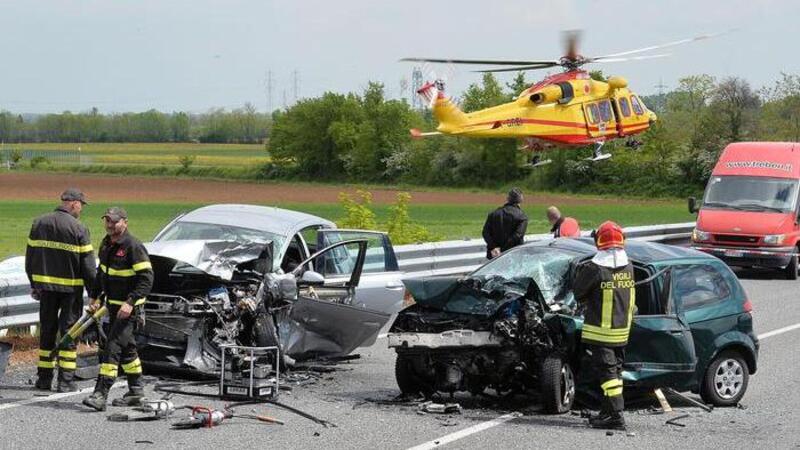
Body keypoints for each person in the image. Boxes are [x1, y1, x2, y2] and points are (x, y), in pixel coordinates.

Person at [25, 188, 96, 392]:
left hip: (45, 289)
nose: (81, 209)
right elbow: (88, 267)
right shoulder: (79, 228)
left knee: (47, 331)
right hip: (70, 291)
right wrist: (94, 293)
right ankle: (65, 382)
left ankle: (44, 379)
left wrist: (34, 284)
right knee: (69, 333)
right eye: (81, 205)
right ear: (74, 203)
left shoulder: (39, 223)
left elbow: (30, 258)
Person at [83, 207, 153, 411]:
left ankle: (100, 394)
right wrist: (95, 296)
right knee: (128, 349)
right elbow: (101, 273)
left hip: (129, 311)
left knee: (111, 348)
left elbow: (147, 279)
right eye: (107, 221)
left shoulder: (133, 246)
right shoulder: (106, 244)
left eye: (114, 221)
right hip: (113, 307)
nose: (110, 225)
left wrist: (130, 302)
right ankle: (136, 392)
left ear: (125, 222)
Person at [573, 221, 635, 430]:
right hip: (621, 332)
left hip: (601, 332)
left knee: (608, 376)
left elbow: (578, 293)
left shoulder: (595, 268)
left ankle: (616, 416)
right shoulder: (629, 266)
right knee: (615, 373)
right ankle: (608, 413)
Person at [482, 188, 528, 259]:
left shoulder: (493, 213)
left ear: (507, 198)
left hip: (494, 255)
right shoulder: (522, 216)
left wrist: (494, 247)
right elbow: (518, 235)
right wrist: (502, 249)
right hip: (513, 255)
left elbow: (485, 233)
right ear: (521, 200)